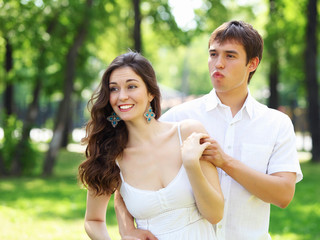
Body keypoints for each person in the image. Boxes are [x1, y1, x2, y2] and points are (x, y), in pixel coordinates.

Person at [115, 20, 303, 239]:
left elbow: (283, 195)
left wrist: (225, 162)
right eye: (213, 54)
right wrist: (126, 227)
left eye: (230, 56)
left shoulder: (276, 123)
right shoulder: (178, 118)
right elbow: (127, 173)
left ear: (252, 64)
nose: (218, 64)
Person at [78, 51, 224, 240]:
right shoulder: (111, 156)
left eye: (131, 86)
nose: (122, 96)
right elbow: (93, 220)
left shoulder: (189, 133)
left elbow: (215, 215)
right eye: (114, 89)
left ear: (151, 93)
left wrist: (191, 164)